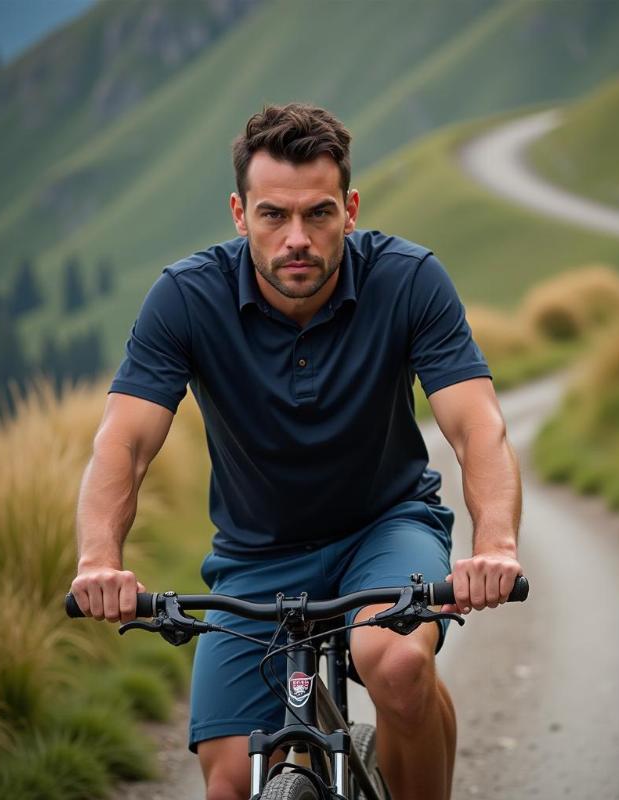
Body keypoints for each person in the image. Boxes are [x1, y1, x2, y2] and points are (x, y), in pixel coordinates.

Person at [69, 103, 523, 800]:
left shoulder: (408, 280)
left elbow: (476, 424)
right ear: (239, 213)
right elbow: (123, 444)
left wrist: (494, 543)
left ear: (350, 208)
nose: (297, 238)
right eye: (274, 215)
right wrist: (99, 561)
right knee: (226, 783)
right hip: (256, 556)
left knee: (395, 664)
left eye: (318, 214)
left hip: (386, 528)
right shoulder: (186, 299)